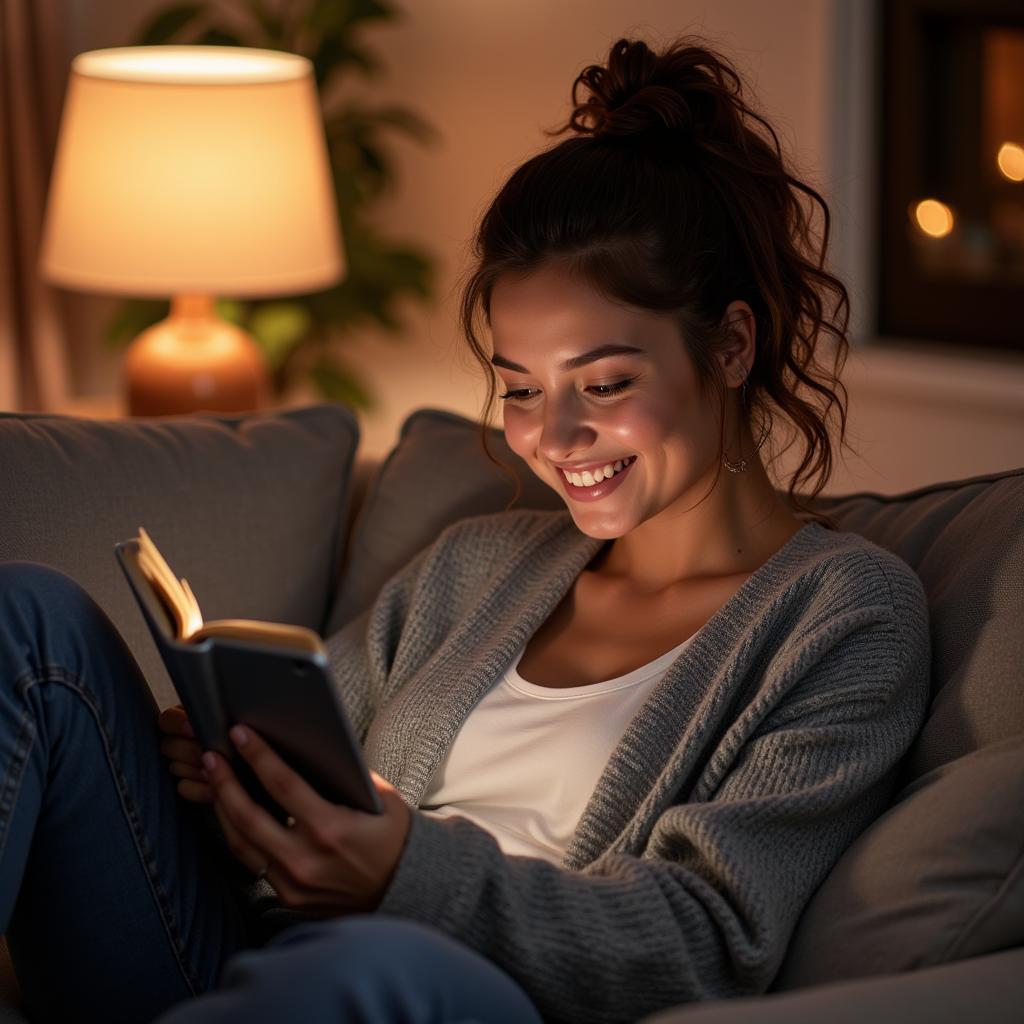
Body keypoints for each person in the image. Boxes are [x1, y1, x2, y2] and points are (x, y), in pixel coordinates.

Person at [0, 34, 931, 1024]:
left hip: (473, 994)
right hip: (252, 955)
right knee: (33, 621)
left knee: (353, 969)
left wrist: (402, 873)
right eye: (520, 389)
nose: (555, 434)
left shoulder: (841, 617)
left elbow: (699, 941)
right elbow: (307, 794)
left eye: (604, 383)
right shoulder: (476, 566)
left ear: (732, 344)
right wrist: (228, 779)